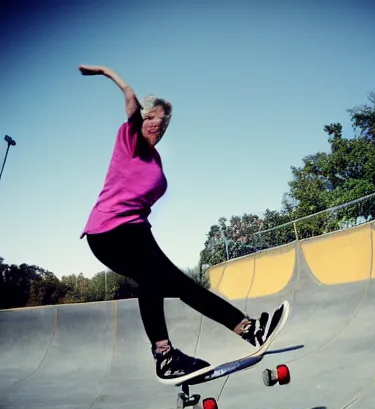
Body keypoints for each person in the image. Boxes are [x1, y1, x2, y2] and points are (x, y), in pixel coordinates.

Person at [78, 64, 289, 383]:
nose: (155, 127)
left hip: (134, 229)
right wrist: (109, 74)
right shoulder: (129, 138)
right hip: (109, 230)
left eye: (161, 124)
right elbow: (132, 101)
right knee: (151, 277)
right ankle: (164, 356)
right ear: (142, 120)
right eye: (151, 119)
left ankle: (248, 330)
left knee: (182, 284)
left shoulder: (156, 160)